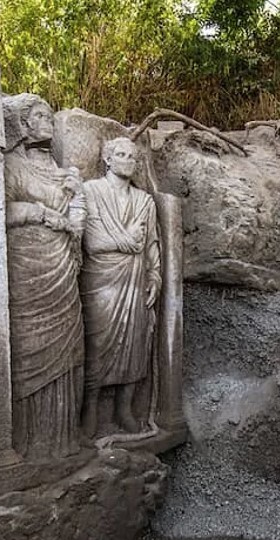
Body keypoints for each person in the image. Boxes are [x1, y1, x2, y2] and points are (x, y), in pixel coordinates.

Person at [2, 94, 86, 459]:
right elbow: (0, 210)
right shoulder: (11, 166)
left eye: (50, 115)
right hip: (28, 267)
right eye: (39, 115)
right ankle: (29, 442)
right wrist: (41, 213)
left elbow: (78, 222)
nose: (47, 120)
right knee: (31, 346)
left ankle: (63, 440)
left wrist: (77, 197)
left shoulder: (62, 172)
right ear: (22, 124)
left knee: (68, 344)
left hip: (63, 266)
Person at [80, 137, 161, 436]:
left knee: (135, 342)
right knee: (97, 343)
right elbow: (93, 242)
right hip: (100, 280)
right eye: (122, 154)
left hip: (135, 280)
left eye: (133, 156)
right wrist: (127, 241)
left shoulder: (144, 201)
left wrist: (155, 276)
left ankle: (124, 409)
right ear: (107, 159)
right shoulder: (91, 191)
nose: (128, 160)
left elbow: (150, 244)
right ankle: (90, 407)